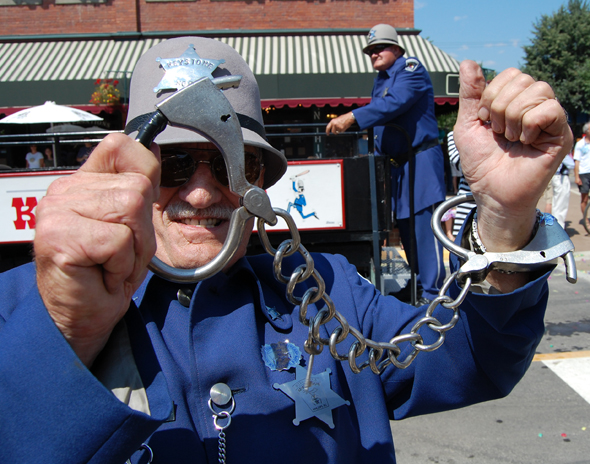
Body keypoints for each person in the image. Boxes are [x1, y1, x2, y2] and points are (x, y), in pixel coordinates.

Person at [0, 37, 573, 464]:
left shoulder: (329, 289)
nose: (201, 192)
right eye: (173, 163)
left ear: (260, 179)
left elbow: (470, 360)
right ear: (132, 172)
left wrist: (505, 218)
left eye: (229, 163)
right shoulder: (28, 303)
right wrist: (67, 330)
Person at [326, 24, 445, 306]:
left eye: (379, 48)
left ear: (396, 49)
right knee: (405, 230)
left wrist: (352, 116)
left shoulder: (410, 70)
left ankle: (435, 296)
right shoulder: (383, 78)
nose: (373, 54)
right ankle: (418, 285)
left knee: (422, 230)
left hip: (420, 162)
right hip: (399, 166)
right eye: (370, 50)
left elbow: (394, 103)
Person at [447, 130, 476, 238]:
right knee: (464, 245)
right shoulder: (454, 134)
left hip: (495, 202)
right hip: (467, 200)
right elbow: (461, 165)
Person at [551, 152, 574, 228]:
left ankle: (555, 225)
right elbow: (571, 164)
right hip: (561, 178)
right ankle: (559, 226)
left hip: (556, 177)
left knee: (556, 204)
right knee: (561, 204)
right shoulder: (562, 152)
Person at [574, 122, 590, 219]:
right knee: (584, 199)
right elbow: (577, 161)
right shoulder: (580, 144)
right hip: (584, 174)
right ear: (586, 131)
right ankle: (586, 220)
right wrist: (577, 177)